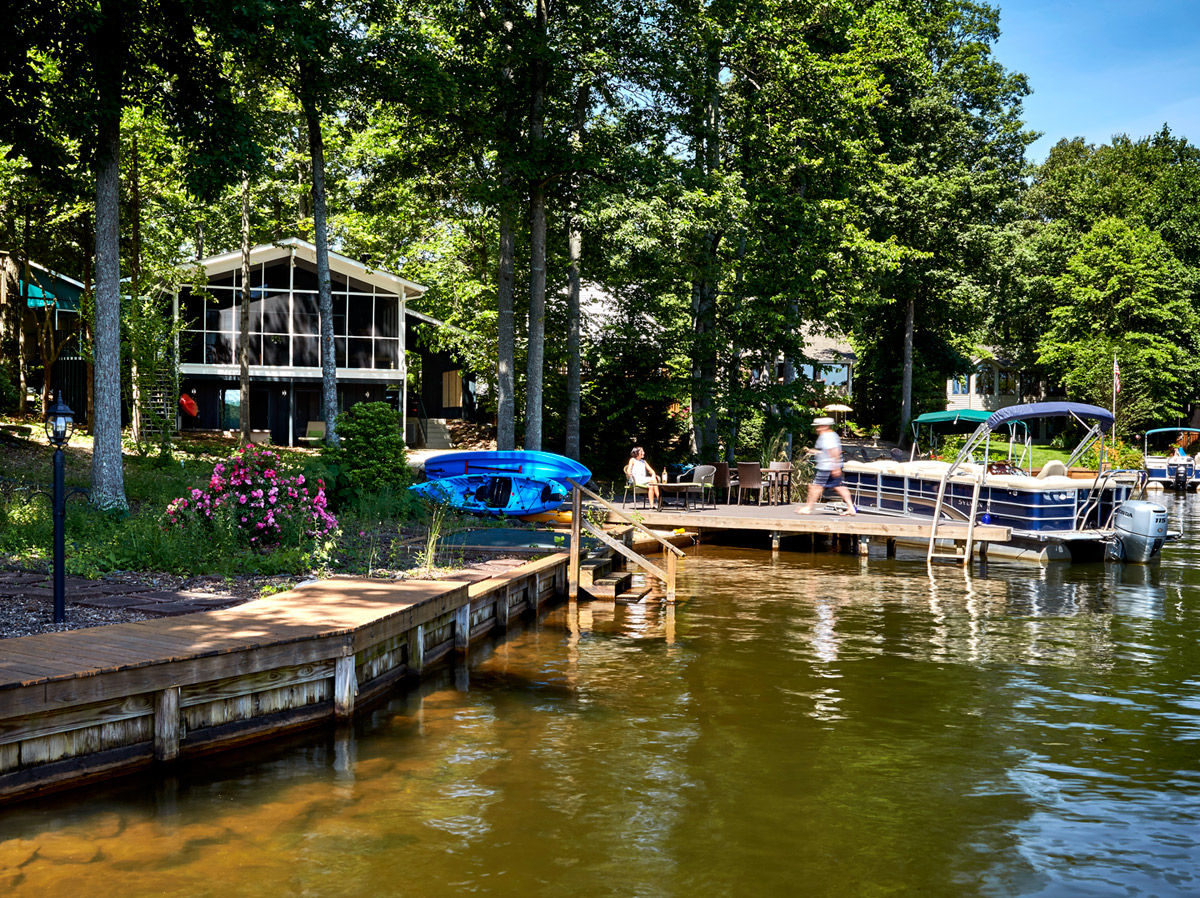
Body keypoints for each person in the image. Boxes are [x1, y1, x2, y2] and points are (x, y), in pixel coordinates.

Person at [799, 417, 856, 515]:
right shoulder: (830, 435)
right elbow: (826, 451)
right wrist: (814, 451)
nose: (817, 429)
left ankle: (808, 507)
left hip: (827, 466)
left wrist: (836, 467)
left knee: (816, 487)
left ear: (825, 426)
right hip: (829, 465)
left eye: (819, 427)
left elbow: (834, 451)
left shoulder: (827, 436)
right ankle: (851, 507)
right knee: (839, 486)